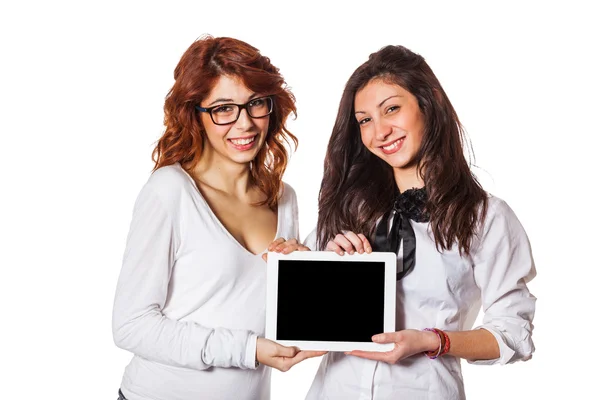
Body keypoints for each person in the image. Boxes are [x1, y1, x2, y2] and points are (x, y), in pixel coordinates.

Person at [304, 45, 536, 399]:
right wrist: (318, 264)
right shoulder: (348, 208)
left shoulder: (485, 217)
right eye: (365, 120)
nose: (379, 132)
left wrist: (433, 341)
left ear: (428, 104)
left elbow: (513, 335)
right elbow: (296, 315)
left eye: (392, 109)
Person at [112, 35, 322, 400]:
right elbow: (131, 326)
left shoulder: (283, 197)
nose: (245, 124)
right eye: (224, 108)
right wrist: (247, 350)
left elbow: (256, 311)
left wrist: (304, 276)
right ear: (195, 114)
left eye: (256, 104)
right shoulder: (170, 191)